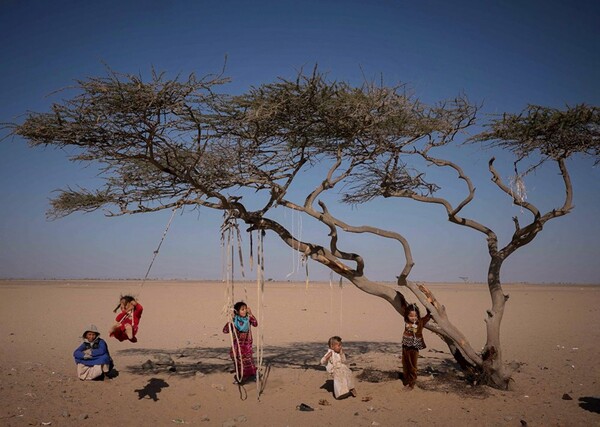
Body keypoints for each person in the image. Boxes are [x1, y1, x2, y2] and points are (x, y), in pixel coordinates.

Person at [222, 301, 258, 383]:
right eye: (242, 309)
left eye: (245, 309)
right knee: (236, 358)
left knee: (247, 359)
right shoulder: (235, 321)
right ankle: (241, 375)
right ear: (237, 311)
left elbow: (255, 324)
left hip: (246, 344)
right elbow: (225, 330)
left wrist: (251, 314)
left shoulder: (248, 319)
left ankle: (250, 375)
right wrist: (230, 320)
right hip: (237, 344)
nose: (245, 311)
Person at [401, 301, 432, 390]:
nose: (413, 318)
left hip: (414, 348)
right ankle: (406, 381)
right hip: (405, 346)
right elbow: (403, 308)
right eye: (411, 316)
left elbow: (428, 316)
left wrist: (429, 307)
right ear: (407, 316)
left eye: (415, 316)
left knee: (412, 365)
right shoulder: (406, 321)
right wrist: (401, 298)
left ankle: (411, 383)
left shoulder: (420, 322)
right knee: (405, 364)